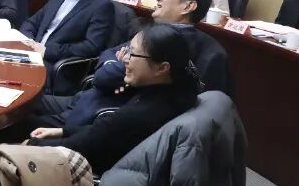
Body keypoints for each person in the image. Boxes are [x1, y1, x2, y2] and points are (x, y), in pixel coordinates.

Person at [20, 0, 229, 135]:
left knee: (15, 119)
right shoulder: (154, 32)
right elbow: (108, 53)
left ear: (188, 6)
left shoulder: (173, 44)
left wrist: (114, 65)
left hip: (99, 113)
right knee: (22, 100)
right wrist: (114, 61)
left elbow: (104, 77)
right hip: (88, 98)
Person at [28, 24, 202, 176]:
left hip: (85, 169)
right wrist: (63, 131)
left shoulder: (143, 113)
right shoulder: (177, 87)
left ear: (162, 68)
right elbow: (100, 132)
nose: (125, 60)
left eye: (133, 54)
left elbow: (85, 144)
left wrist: (32, 144)